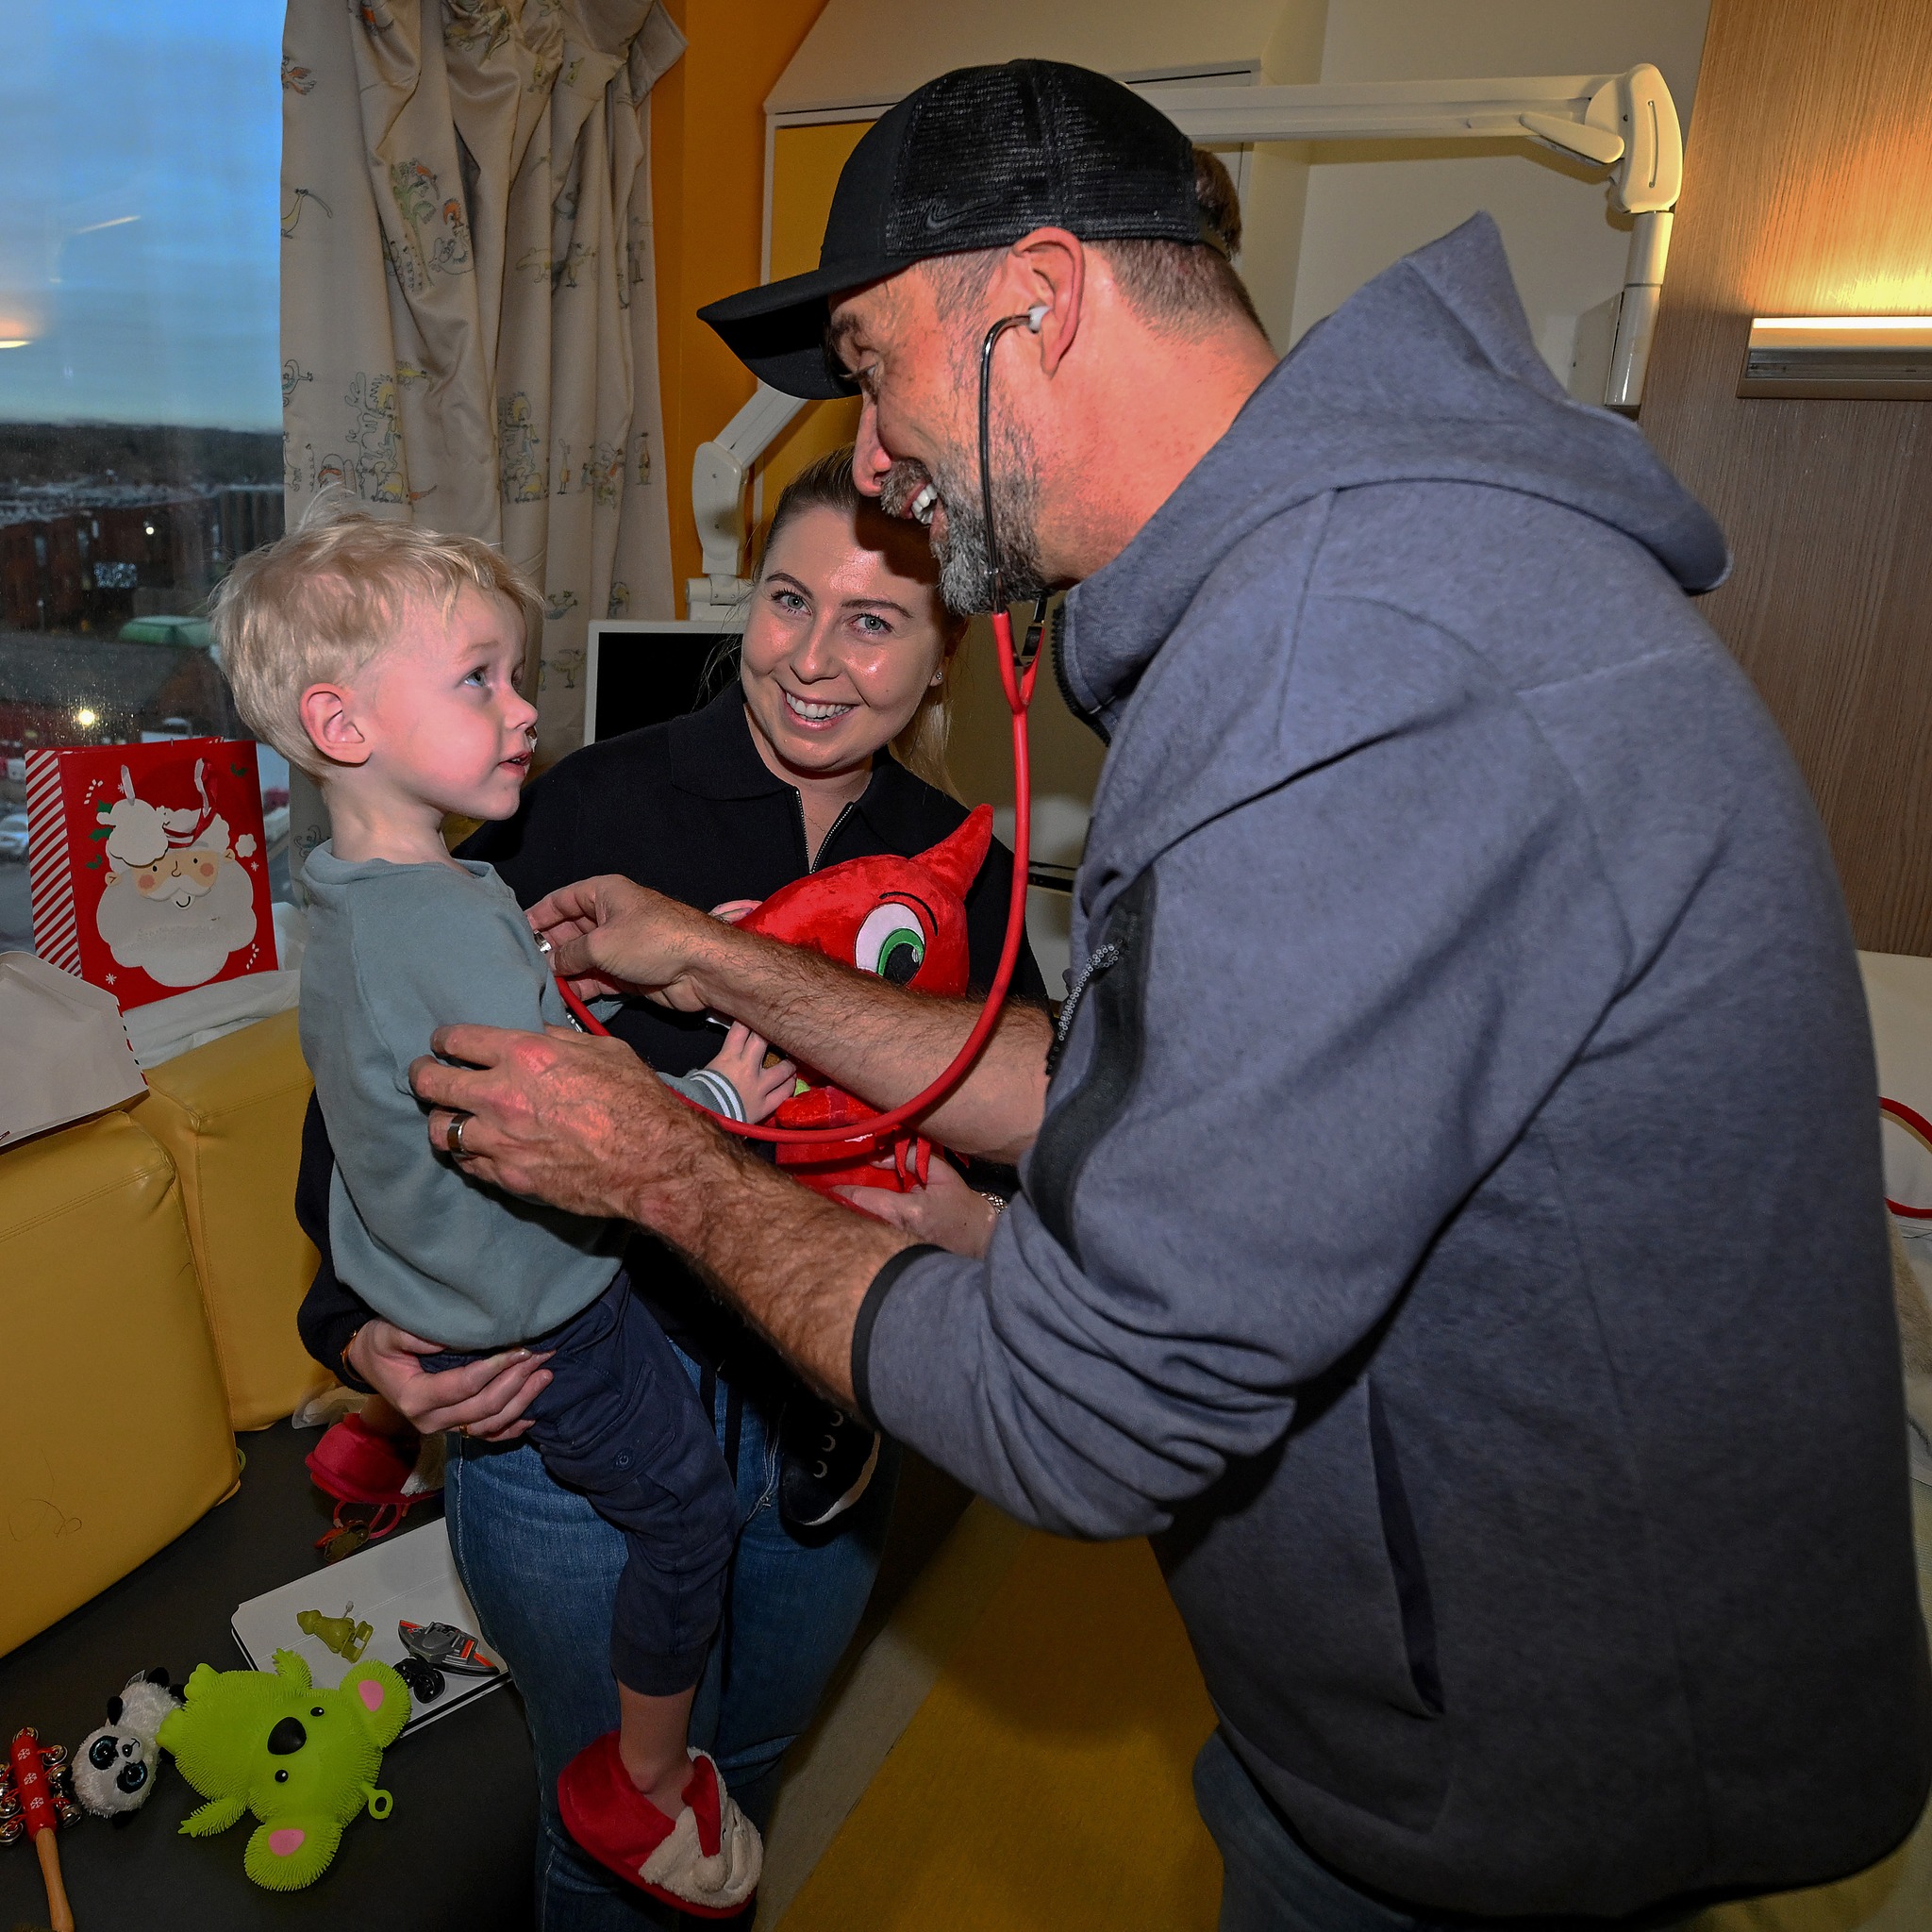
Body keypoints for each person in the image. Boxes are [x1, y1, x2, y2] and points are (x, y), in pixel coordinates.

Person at [406, 58, 1932, 1932]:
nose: (872, 464)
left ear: (1035, 305)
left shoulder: (1347, 653)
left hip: (1514, 1781)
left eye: (876, 368)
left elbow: (1088, 1410)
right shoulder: (1359, 584)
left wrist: (655, 1160)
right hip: (1444, 1717)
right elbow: (1153, 1085)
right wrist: (729, 962)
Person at [291, 447, 1047, 1928]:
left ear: (948, 648)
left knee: (739, 1772)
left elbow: (1043, 1123)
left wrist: (981, 1229)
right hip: (576, 1401)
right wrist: (354, 1330)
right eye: (785, 599)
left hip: (830, 1416)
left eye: (875, 619)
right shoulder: (578, 805)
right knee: (605, 1807)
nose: (814, 659)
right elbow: (372, 1081)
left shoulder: (968, 868)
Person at [217, 505, 791, 1912]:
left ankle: (371, 1431)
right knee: (687, 1518)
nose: (525, 708)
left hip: (413, 1265)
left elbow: (400, 1076)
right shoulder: (450, 917)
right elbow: (583, 1135)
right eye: (479, 678)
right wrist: (716, 1099)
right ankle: (643, 1785)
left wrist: (525, 970)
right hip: (545, 1316)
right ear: (343, 726)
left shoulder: (361, 894)